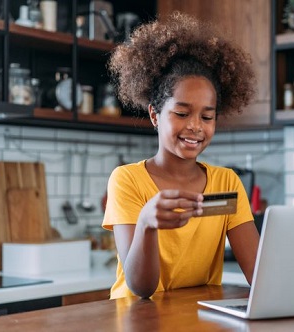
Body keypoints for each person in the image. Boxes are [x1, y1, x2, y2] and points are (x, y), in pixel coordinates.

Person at [102, 12, 260, 299]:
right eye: (182, 113)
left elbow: (259, 274)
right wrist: (146, 224)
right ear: (155, 115)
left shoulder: (227, 182)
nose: (195, 126)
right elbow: (141, 288)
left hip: (194, 319)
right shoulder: (127, 180)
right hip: (137, 319)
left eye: (207, 116)